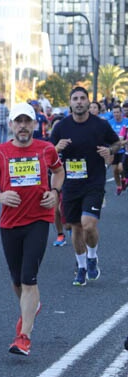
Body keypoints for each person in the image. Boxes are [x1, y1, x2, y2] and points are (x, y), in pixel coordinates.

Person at [0, 103, 64, 355]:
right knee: (17, 280)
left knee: (29, 278)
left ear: (35, 124)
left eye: (28, 121)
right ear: (12, 125)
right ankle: (31, 306)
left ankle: (24, 336)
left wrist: (55, 192)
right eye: (19, 121)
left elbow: (59, 172)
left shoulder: (46, 149)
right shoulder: (0, 153)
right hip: (10, 222)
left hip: (39, 219)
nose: (23, 126)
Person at [49, 86, 120, 286]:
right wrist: (56, 148)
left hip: (93, 182)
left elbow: (116, 143)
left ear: (88, 102)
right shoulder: (61, 127)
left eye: (82, 98)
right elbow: (47, 152)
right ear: (70, 103)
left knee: (88, 224)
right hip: (70, 184)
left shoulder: (100, 125)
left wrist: (109, 151)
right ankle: (81, 267)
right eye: (75, 98)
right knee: (75, 228)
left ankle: (92, 256)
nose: (79, 101)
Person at [103, 104, 128, 194]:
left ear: (121, 113)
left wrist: (123, 142)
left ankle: (124, 178)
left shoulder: (126, 122)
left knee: (121, 168)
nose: (116, 114)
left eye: (118, 112)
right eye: (114, 112)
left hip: (124, 150)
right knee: (115, 170)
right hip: (113, 150)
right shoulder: (110, 122)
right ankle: (119, 186)